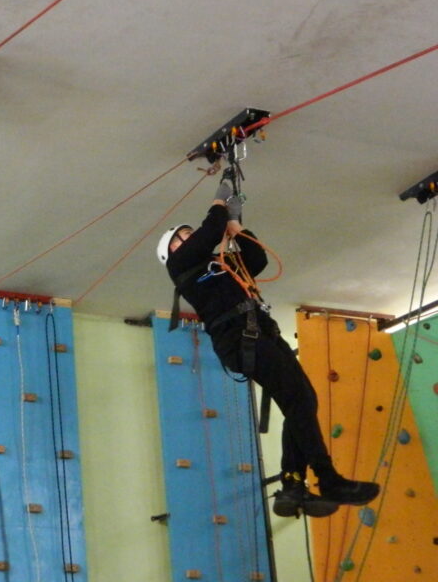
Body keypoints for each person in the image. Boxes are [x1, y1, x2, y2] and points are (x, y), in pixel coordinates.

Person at [158, 178, 381, 517]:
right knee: (298, 399)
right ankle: (327, 479)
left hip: (258, 334)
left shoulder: (218, 267)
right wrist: (220, 204)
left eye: (189, 234)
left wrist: (236, 226)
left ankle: (293, 484)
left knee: (304, 400)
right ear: (173, 250)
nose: (190, 238)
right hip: (240, 339)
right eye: (183, 236)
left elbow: (256, 259)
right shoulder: (179, 267)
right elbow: (210, 231)